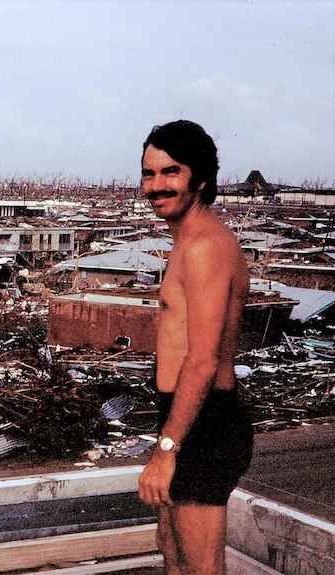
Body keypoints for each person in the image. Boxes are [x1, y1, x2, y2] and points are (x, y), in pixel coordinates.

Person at [137, 120, 253, 574]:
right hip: (184, 418)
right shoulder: (187, 242)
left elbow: (202, 360)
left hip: (202, 424)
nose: (156, 186)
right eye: (149, 173)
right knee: (173, 552)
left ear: (200, 180)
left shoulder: (206, 246)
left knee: (200, 568)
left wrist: (167, 450)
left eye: (171, 172)